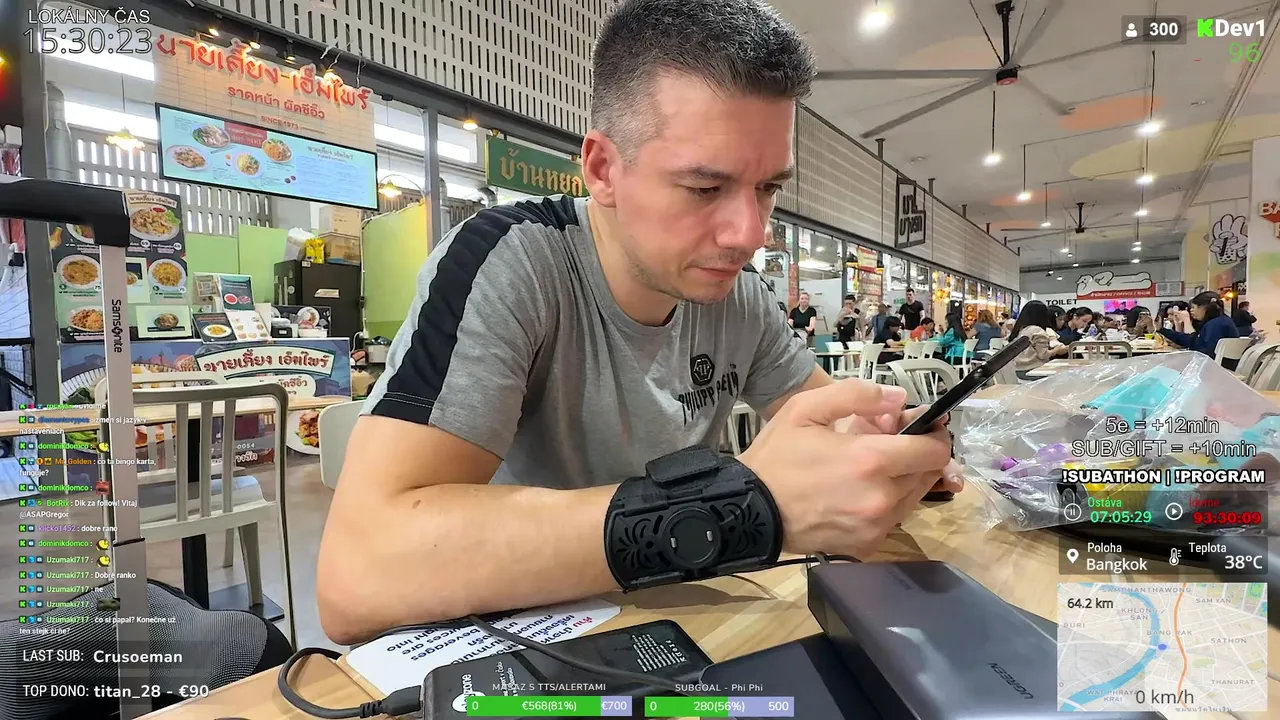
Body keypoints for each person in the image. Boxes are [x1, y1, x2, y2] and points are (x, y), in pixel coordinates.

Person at [315, 0, 960, 643]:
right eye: (704, 188)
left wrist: (882, 450)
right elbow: (358, 575)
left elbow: (830, 423)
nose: (750, 233)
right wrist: (734, 507)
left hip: (693, 622)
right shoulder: (511, 263)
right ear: (602, 169)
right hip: (534, 647)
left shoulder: (739, 297)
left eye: (768, 188)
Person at [1160, 292, 1240, 368]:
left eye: (1194, 307)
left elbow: (1202, 350)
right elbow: (1193, 341)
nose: (1192, 311)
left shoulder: (1214, 325)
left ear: (1204, 308)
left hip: (1215, 369)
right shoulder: (1223, 321)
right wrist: (1162, 330)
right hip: (1226, 367)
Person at [1011, 300, 1069, 380]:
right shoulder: (1038, 331)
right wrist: (1056, 349)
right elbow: (1043, 355)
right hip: (1033, 370)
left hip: (1018, 370)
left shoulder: (1021, 330)